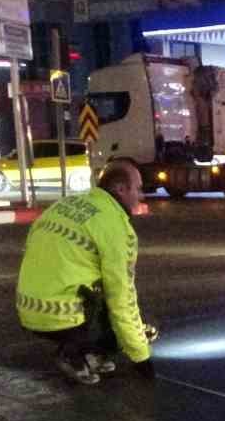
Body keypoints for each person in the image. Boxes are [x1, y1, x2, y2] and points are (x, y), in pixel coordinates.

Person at [16, 157, 157, 385]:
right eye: (137, 189)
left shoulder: (64, 204)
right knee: (137, 321)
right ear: (121, 189)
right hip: (63, 317)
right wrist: (141, 356)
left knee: (93, 283)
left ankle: (86, 351)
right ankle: (75, 353)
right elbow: (122, 298)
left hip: (27, 308)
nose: (140, 196)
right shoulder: (116, 227)